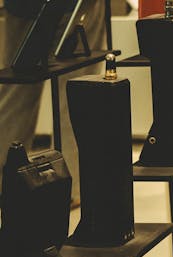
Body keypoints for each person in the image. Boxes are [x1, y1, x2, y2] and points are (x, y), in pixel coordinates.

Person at [0, 0, 107, 202]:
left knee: (16, 91)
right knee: (77, 93)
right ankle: (73, 187)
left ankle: (5, 182)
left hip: (24, 7)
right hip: (74, 5)